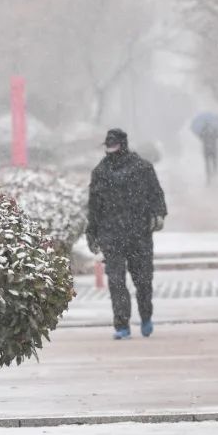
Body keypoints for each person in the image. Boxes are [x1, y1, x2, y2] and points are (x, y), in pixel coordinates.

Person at [86, 128, 168, 340]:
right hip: (111, 235)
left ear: (123, 144)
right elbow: (94, 206)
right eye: (108, 145)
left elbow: (156, 194)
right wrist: (92, 233)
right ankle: (122, 324)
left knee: (143, 279)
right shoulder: (100, 172)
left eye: (114, 144)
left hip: (138, 233)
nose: (111, 149)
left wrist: (159, 214)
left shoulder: (142, 168)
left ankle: (146, 317)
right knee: (116, 281)